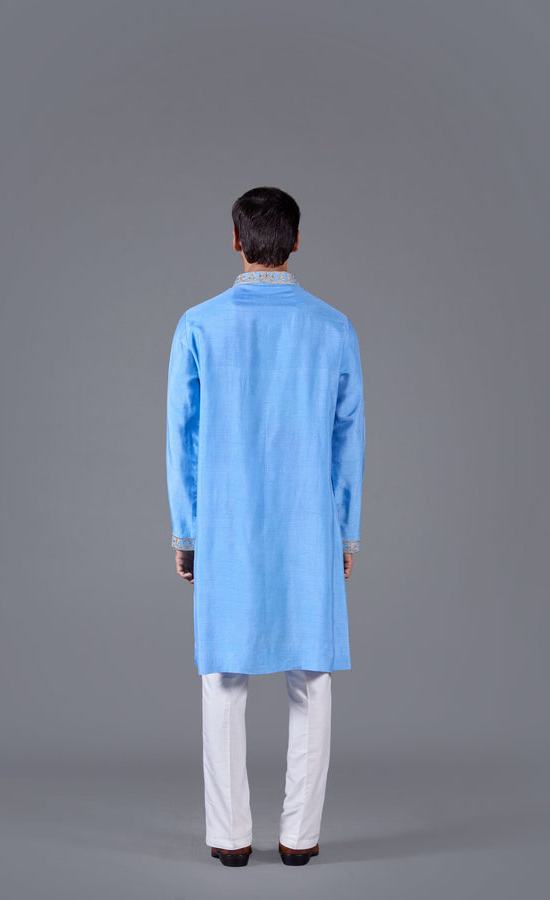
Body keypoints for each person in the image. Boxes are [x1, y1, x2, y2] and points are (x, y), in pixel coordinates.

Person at [165, 186, 365, 867]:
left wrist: (187, 534)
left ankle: (229, 837)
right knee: (313, 677)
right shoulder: (333, 328)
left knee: (224, 674)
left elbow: (183, 438)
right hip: (309, 527)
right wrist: (346, 533)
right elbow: (348, 438)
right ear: (296, 241)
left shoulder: (199, 325)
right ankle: (299, 837)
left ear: (235, 239)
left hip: (228, 526)